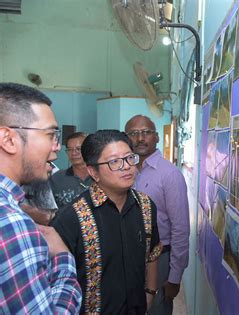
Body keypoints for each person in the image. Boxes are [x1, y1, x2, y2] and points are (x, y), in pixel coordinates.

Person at [52, 130, 161, 314]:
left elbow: (152, 253)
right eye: (114, 162)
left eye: (129, 158)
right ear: (93, 171)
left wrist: (150, 292)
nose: (126, 167)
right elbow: (58, 279)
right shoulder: (71, 218)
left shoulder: (145, 206)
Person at [0, 82, 82, 313]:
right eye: (50, 135)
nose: (56, 148)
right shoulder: (11, 223)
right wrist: (63, 256)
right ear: (8, 139)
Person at [125, 115, 190, 315]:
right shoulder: (122, 170)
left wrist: (175, 277)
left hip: (160, 259)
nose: (140, 138)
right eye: (134, 133)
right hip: (127, 257)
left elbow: (180, 228)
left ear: (157, 137)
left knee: (156, 310)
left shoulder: (169, 174)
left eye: (146, 132)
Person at [50, 131, 92, 208]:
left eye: (78, 149)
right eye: (69, 149)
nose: (73, 153)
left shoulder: (100, 177)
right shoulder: (56, 179)